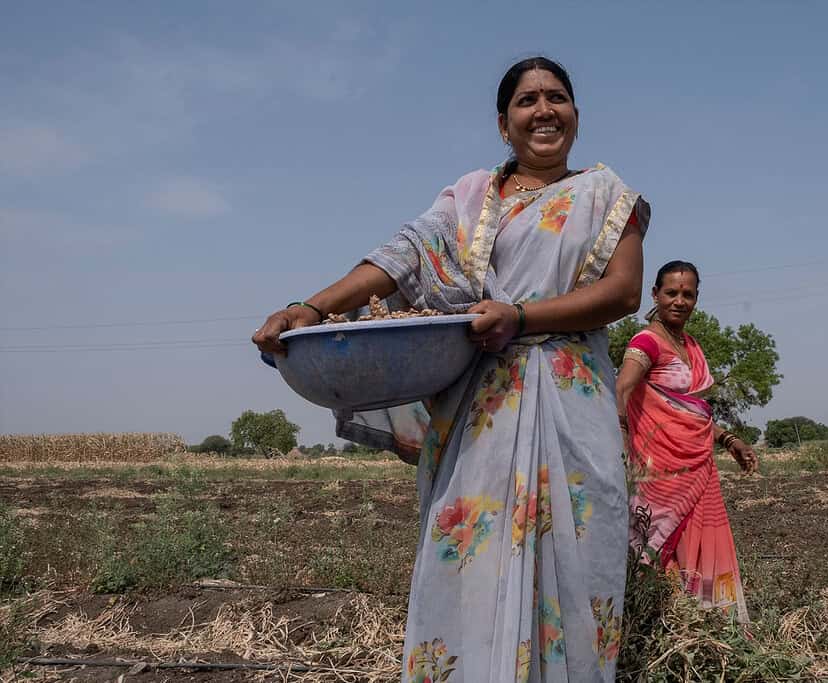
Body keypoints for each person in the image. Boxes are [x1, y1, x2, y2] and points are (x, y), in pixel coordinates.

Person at [253, 57, 649, 682]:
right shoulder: (467, 199)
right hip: (478, 413)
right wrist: (312, 306)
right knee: (470, 562)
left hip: (573, 405)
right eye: (527, 101)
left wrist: (520, 315)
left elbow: (625, 293)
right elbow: (400, 260)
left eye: (557, 98)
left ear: (576, 113)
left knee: (573, 566)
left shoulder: (608, 196)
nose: (543, 110)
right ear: (503, 123)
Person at [614, 261, 756, 623]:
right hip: (660, 471)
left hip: (699, 467)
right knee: (660, 547)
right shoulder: (646, 341)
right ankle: (661, 626)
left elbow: (692, 412)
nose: (679, 301)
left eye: (688, 294)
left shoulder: (690, 345)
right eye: (671, 293)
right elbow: (623, 386)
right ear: (655, 295)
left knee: (699, 542)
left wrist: (728, 439)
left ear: (696, 298)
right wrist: (621, 434)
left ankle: (707, 624)